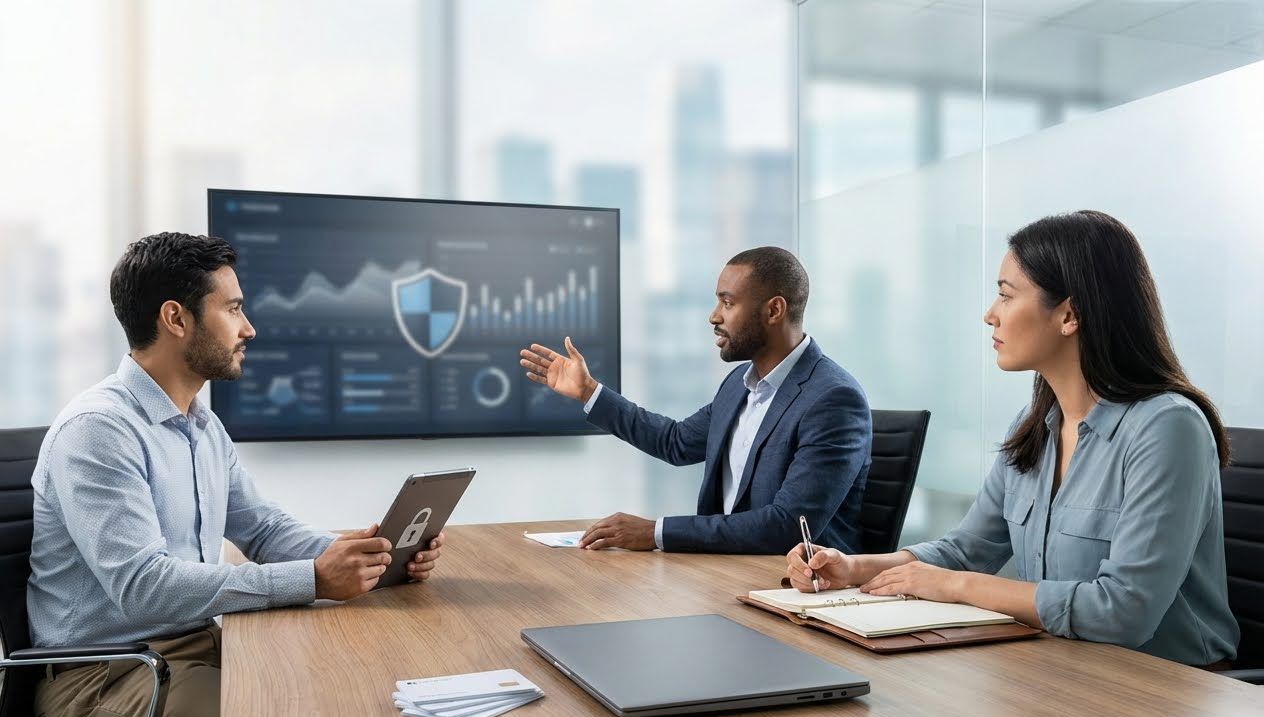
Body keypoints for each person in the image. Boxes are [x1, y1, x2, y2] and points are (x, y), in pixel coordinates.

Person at [27, 233, 446, 717]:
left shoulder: (202, 425)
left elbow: (264, 530)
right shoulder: (98, 431)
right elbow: (142, 588)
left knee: (364, 690)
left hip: (197, 650)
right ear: (176, 319)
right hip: (107, 683)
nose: (249, 328)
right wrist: (314, 578)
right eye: (233, 309)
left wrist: (374, 554)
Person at [785, 211, 1238, 666]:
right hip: (1062, 670)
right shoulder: (1034, 425)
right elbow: (965, 550)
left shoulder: (1167, 428)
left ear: (1069, 314)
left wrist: (959, 587)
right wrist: (852, 568)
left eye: (1005, 296)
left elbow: (1123, 612)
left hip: (1169, 690)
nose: (990, 315)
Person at [520, 246, 871, 554]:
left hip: (792, 592)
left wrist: (655, 532)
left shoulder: (834, 399)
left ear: (774, 310)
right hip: (726, 574)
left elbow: (786, 528)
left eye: (728, 302)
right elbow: (675, 443)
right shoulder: (739, 384)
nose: (714, 316)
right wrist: (588, 391)